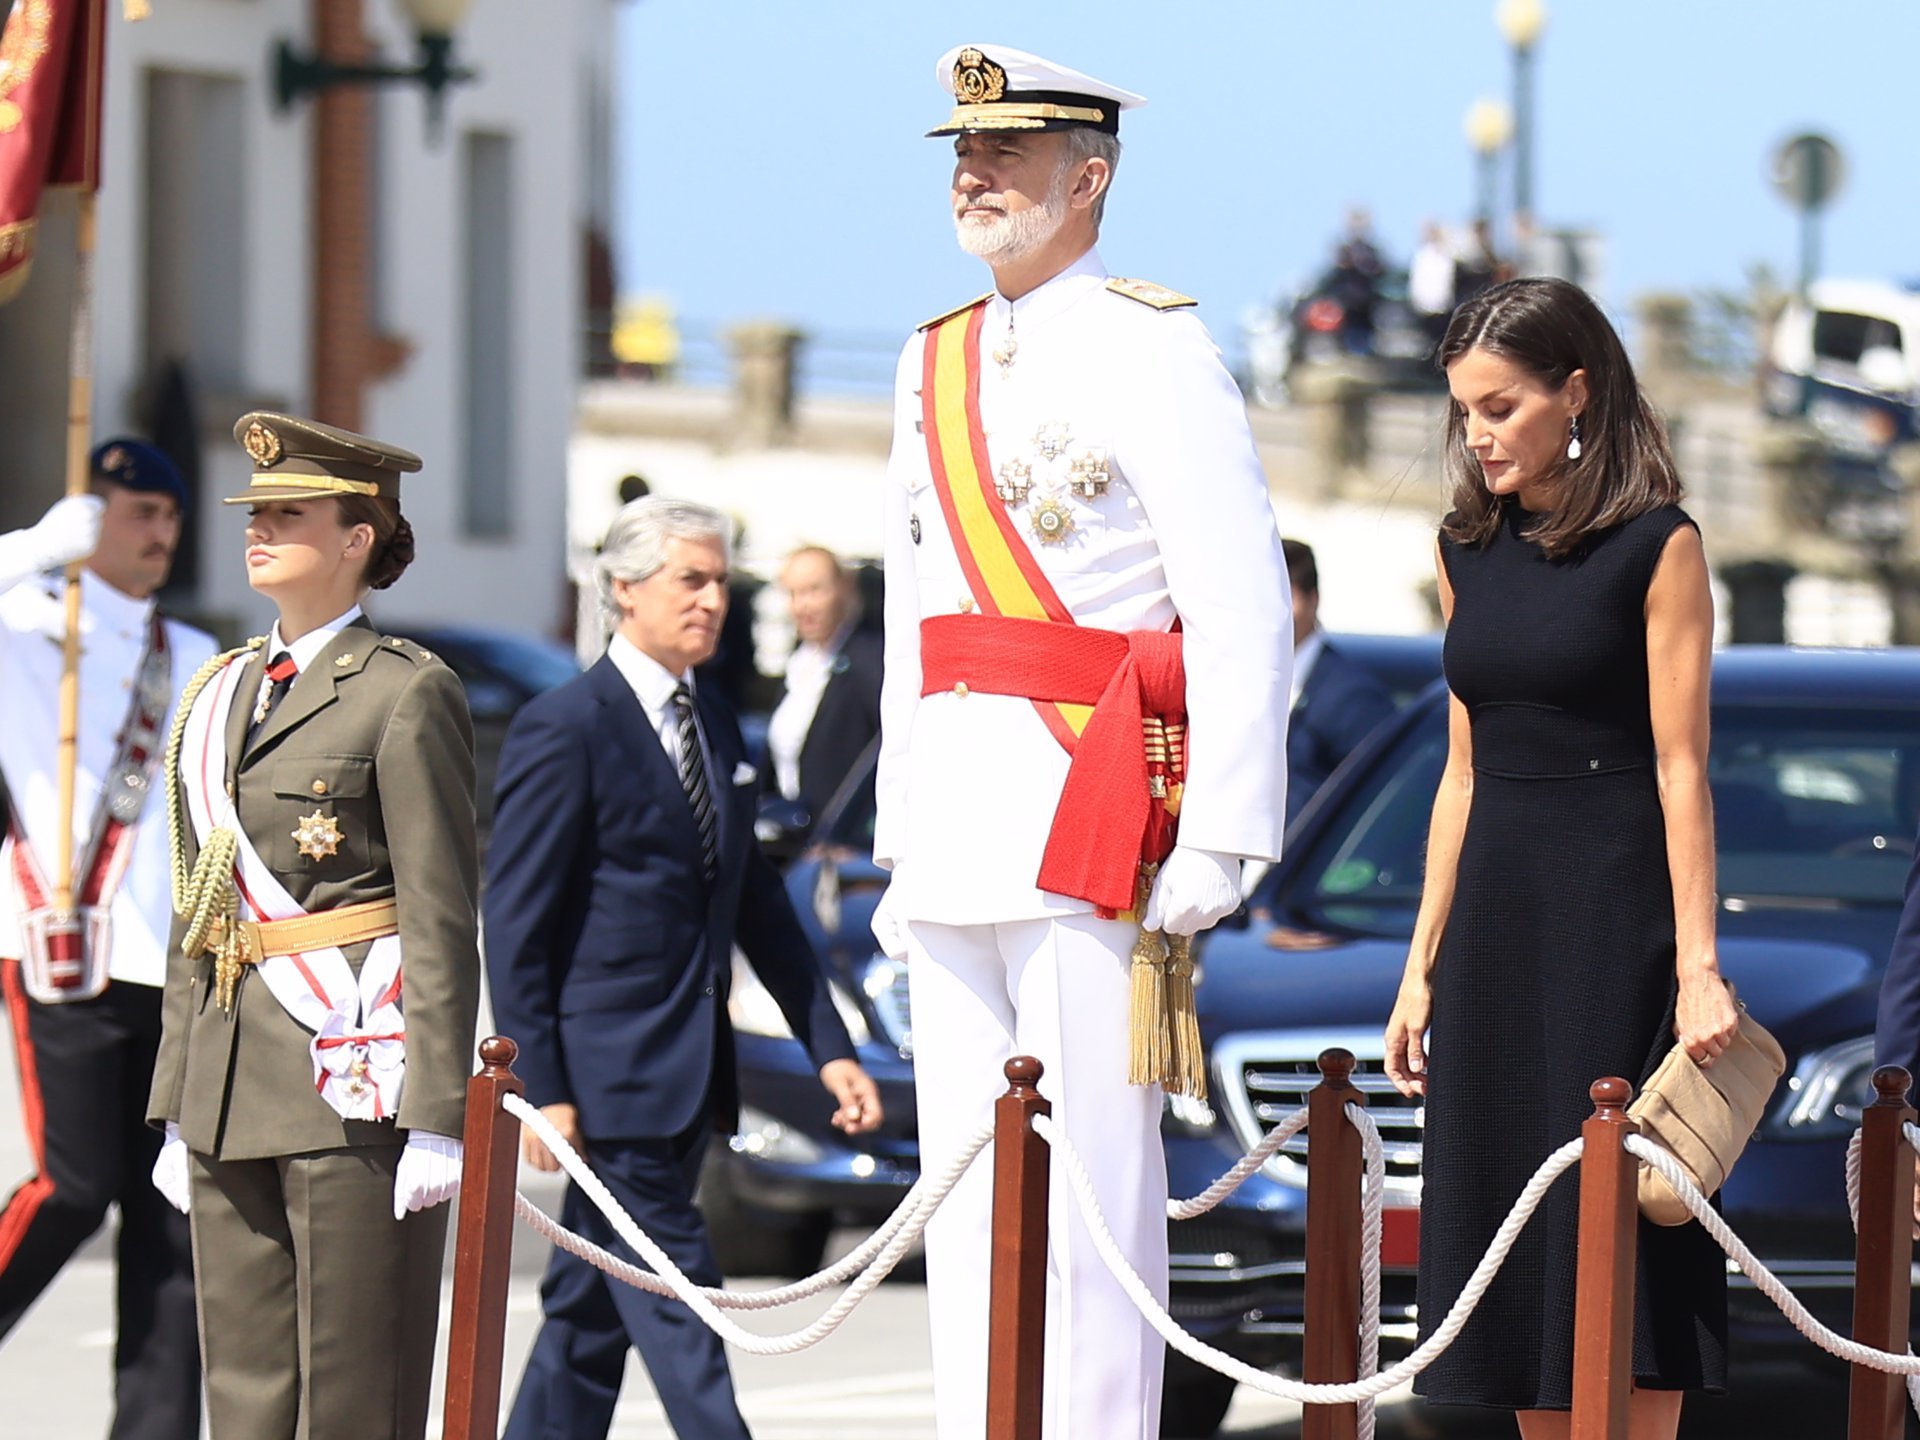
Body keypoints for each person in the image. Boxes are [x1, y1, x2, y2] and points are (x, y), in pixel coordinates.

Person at [871, 45, 1292, 1438]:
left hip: (1090, 809)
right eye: (961, 154)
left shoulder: (1154, 346)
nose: (972, 174)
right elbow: (913, 621)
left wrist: (1223, 833)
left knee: (1097, 1193)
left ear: (1090, 176)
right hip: (957, 827)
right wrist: (895, 833)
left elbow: (1236, 603)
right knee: (963, 1188)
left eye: (1006, 153)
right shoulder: (926, 360)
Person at [1382, 278, 1739, 1438]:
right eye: (1463, 412)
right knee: (1518, 1240)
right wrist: (1419, 966)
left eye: (1500, 406)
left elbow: (1684, 769)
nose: (1478, 434)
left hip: (1613, 916)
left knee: (1619, 1233)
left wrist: (1697, 965)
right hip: (1497, 918)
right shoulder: (1465, 547)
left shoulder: (1657, 546)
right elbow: (1463, 773)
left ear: (1574, 393)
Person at [486, 496, 884, 1440]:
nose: (711, 601)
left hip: (689, 1070)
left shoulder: (713, 723)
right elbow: (516, 921)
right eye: (689, 580)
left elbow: (754, 907)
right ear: (623, 590)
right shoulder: (566, 726)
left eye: (719, 582)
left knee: (587, 1320)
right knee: (682, 1298)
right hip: (607, 1078)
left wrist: (827, 1045)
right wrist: (538, 1082)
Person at [146, 411, 479, 1440]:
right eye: (255, 513)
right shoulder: (220, 693)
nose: (258, 531)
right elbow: (198, 907)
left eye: (289, 514)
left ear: (356, 539)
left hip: (351, 1080)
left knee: (352, 1398)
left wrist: (436, 1111)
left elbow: (439, 913)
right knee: (243, 1400)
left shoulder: (403, 694)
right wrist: (174, 1097)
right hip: (229, 1084)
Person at [0, 441, 215, 1440]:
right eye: (135, 514)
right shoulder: (24, 628)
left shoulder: (196, 654)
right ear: (90, 516)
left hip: (163, 962)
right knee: (72, 1186)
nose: (158, 533)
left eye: (167, 518)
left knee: (168, 1215)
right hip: (60, 950)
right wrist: (35, 550)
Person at [1279, 538, 1396, 826]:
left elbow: (1382, 799)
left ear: (1312, 599)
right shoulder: (1240, 682)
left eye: (1285, 597)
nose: (1274, 612)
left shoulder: (1352, 696)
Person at [765, 545, 883, 814]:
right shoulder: (799, 663)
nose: (802, 605)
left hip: (844, 846)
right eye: (793, 593)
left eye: (814, 590)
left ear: (845, 588)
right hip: (792, 837)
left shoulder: (870, 661)